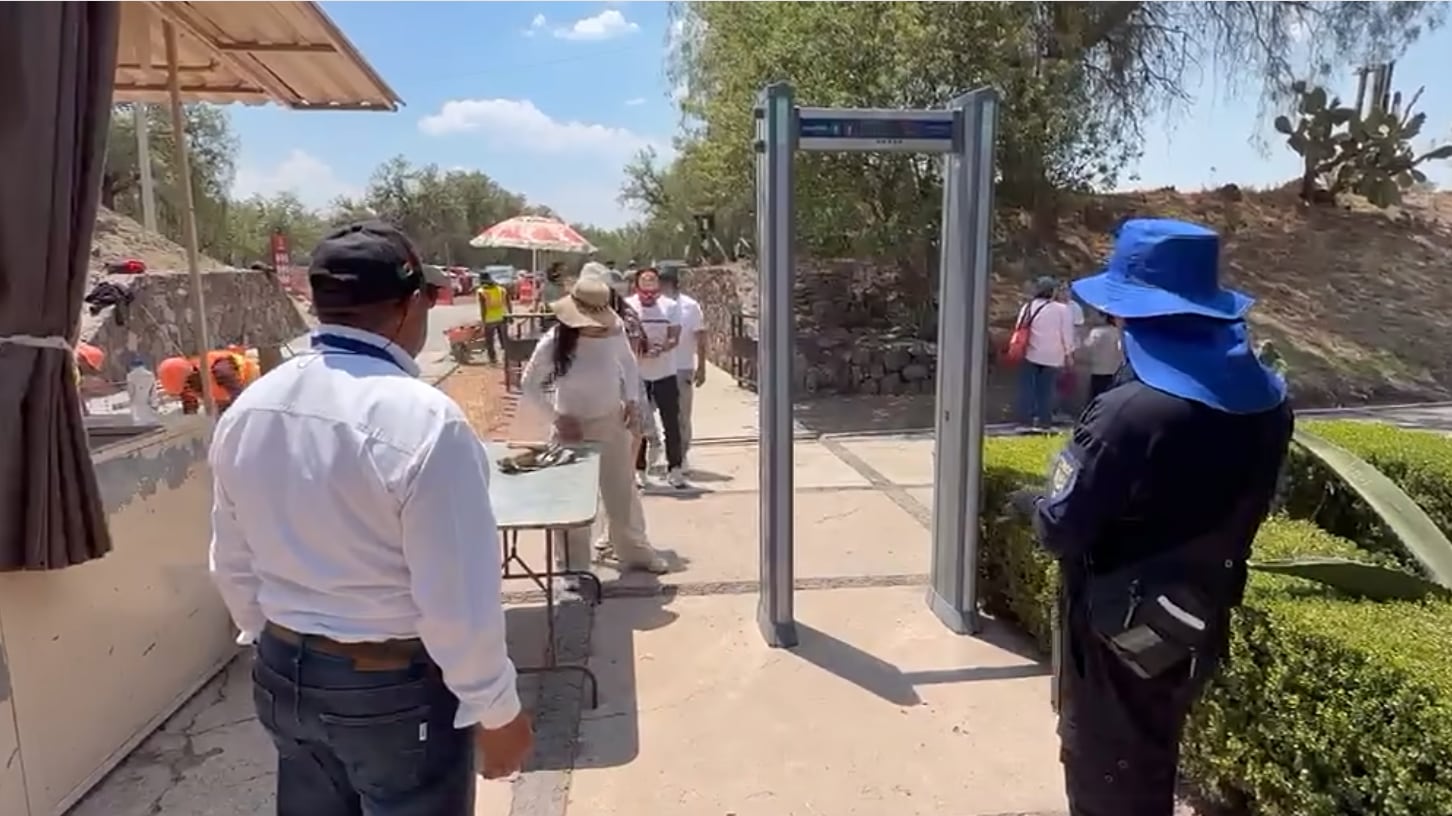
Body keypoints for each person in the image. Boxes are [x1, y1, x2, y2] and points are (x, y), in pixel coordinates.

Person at [207, 220, 533, 816]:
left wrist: (277, 638)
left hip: (283, 675)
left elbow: (231, 560)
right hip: (391, 691)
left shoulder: (250, 407)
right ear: (412, 305)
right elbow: (457, 599)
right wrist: (497, 709)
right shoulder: (425, 421)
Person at [1006, 217, 1293, 816]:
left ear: (1135, 315)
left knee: (1106, 770)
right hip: (1195, 615)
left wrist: (1030, 504)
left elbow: (1063, 526)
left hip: (1119, 629)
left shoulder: (1129, 413)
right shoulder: (1269, 401)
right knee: (1153, 753)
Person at [519, 273, 670, 574]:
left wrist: (631, 400)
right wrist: (557, 418)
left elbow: (627, 363)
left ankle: (635, 552)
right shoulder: (553, 342)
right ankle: (574, 567)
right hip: (570, 431)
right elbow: (529, 384)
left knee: (622, 493)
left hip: (610, 423)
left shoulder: (614, 332)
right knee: (571, 502)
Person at [626, 268, 688, 489]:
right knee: (639, 424)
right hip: (638, 374)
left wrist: (663, 347)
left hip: (665, 373)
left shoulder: (670, 307)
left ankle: (675, 468)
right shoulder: (628, 306)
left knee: (671, 422)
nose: (649, 285)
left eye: (653, 280)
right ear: (637, 284)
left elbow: (675, 336)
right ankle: (640, 469)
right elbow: (623, 337)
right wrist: (637, 351)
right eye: (645, 280)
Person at [657, 265, 706, 470]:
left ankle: (681, 455)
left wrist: (701, 366)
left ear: (674, 283)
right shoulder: (652, 306)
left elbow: (701, 337)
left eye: (665, 282)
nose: (662, 286)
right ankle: (650, 454)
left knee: (681, 415)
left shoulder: (690, 306)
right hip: (655, 369)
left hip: (682, 368)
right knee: (646, 415)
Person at [1014, 276, 1077, 430]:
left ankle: (1025, 421)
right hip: (1053, 356)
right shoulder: (1062, 310)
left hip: (1031, 353)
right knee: (1047, 390)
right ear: (1052, 292)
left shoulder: (1028, 307)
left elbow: (1019, 327)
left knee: (1028, 388)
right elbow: (1067, 334)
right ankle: (1044, 422)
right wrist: (1069, 354)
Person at [1081, 313, 1124, 401]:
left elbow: (1086, 346)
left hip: (1098, 369)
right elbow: (1121, 350)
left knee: (1095, 395)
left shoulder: (1096, 332)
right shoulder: (1120, 334)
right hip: (1114, 371)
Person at [476, 272, 509, 365]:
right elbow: (508, 303)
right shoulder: (501, 289)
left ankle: (493, 360)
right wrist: (510, 315)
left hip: (489, 320)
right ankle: (507, 358)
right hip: (502, 317)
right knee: (504, 340)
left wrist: (483, 321)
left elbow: (483, 308)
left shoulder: (481, 292)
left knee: (489, 341)